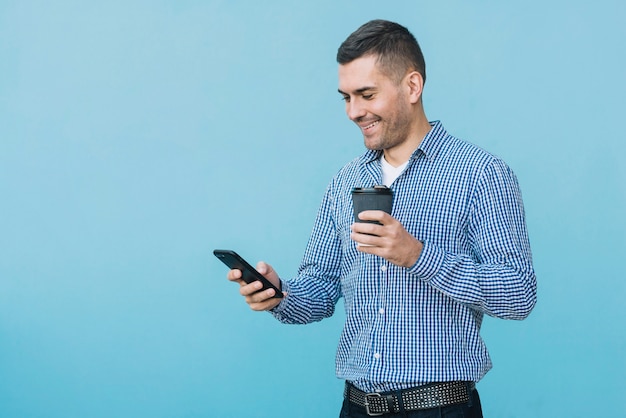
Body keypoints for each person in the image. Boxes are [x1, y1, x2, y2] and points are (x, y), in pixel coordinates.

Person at [227, 19, 537, 418]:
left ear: (412, 86)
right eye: (346, 97)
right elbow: (319, 289)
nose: (354, 112)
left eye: (366, 94)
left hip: (440, 410)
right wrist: (279, 294)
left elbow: (518, 295)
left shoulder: (481, 175)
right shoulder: (345, 181)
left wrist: (418, 256)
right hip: (356, 407)